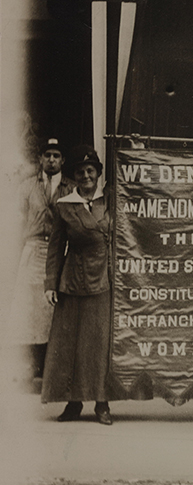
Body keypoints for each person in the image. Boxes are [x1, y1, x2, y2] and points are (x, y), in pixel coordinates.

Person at [42, 145, 113, 425]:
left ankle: (102, 403)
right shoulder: (65, 205)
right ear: (74, 175)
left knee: (98, 345)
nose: (86, 176)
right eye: (81, 172)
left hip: (103, 281)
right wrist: (51, 283)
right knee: (70, 345)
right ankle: (73, 403)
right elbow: (55, 247)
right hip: (72, 280)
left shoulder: (110, 200)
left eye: (90, 171)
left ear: (98, 173)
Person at [9, 138, 74, 390]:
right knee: (27, 308)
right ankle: (30, 366)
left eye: (56, 155)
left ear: (63, 160)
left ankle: (52, 368)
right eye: (47, 155)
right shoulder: (27, 187)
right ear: (40, 158)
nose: (51, 160)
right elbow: (17, 222)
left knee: (54, 306)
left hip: (59, 250)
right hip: (33, 247)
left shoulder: (71, 188)